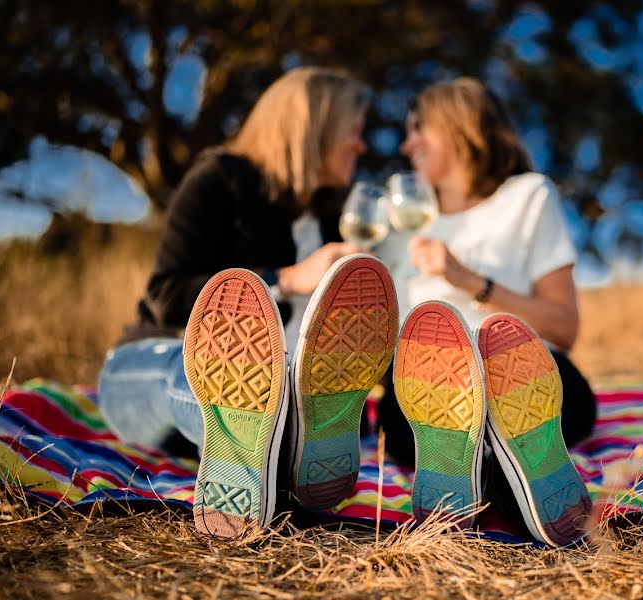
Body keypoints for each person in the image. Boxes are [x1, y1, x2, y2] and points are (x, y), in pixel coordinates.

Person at [97, 67, 400, 539]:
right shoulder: (219, 180)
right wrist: (288, 279)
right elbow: (165, 294)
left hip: (278, 385)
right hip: (150, 367)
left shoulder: (331, 219)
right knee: (218, 372)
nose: (361, 147)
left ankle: (275, 438)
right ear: (316, 127)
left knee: (281, 384)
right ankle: (262, 428)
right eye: (354, 133)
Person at [379, 78, 596, 545]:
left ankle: (478, 477)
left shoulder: (527, 197)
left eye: (419, 129)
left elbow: (565, 326)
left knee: (563, 397)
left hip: (519, 366)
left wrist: (470, 282)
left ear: (458, 128)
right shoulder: (401, 214)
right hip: (428, 376)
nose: (406, 143)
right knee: (401, 417)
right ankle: (514, 483)